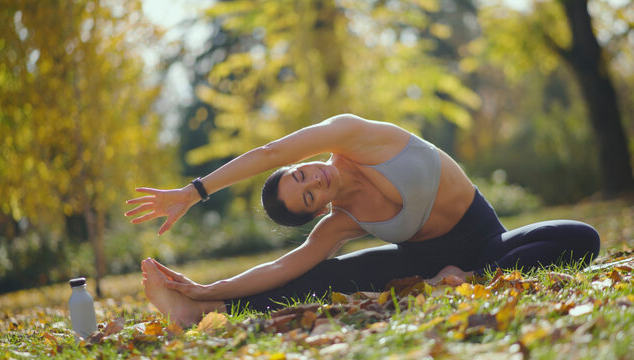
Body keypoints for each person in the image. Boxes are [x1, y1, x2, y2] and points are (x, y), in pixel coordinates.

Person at [126, 114, 600, 327]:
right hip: (421, 262)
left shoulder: (354, 135)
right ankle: (202, 313)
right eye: (307, 197)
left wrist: (193, 192)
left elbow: (270, 151)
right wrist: (207, 290)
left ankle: (466, 278)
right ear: (315, 211)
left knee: (582, 238)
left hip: (485, 242)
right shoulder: (340, 220)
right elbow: (280, 268)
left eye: (299, 175)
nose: (313, 182)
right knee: (320, 273)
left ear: (299, 162)